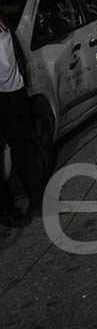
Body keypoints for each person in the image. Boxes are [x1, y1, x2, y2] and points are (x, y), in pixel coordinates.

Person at [0, 16, 43, 227]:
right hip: (12, 93)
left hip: (8, 94)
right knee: (24, 150)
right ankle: (34, 202)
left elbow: (5, 67)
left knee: (23, 150)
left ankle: (10, 210)